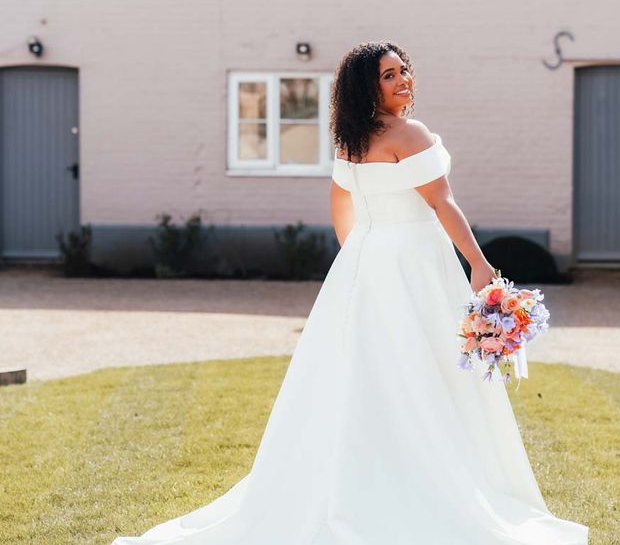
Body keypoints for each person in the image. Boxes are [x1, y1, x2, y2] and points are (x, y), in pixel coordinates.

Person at [112, 41, 589, 544]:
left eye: (404, 71)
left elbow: (340, 201)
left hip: (368, 261)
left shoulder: (349, 140)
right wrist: (479, 264)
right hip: (414, 262)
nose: (403, 80)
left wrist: (358, 256)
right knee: (421, 368)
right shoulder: (410, 134)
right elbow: (443, 204)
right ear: (368, 86)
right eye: (388, 75)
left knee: (364, 369)